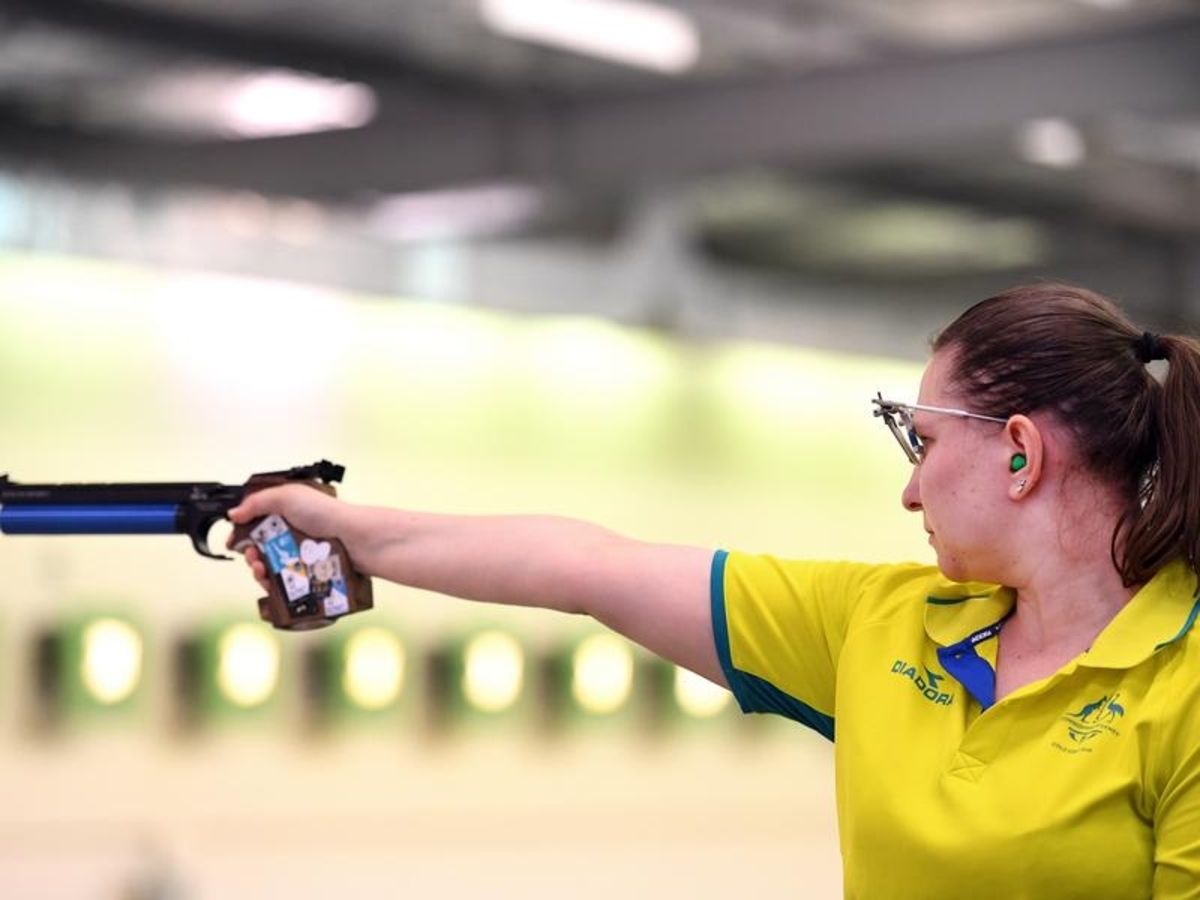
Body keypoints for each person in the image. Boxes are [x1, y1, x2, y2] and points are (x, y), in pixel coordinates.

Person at [228, 282, 1200, 899]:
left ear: (1020, 453)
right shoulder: (882, 624)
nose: (910, 489)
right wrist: (352, 532)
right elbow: (584, 566)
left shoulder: (1187, 687)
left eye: (925, 442)